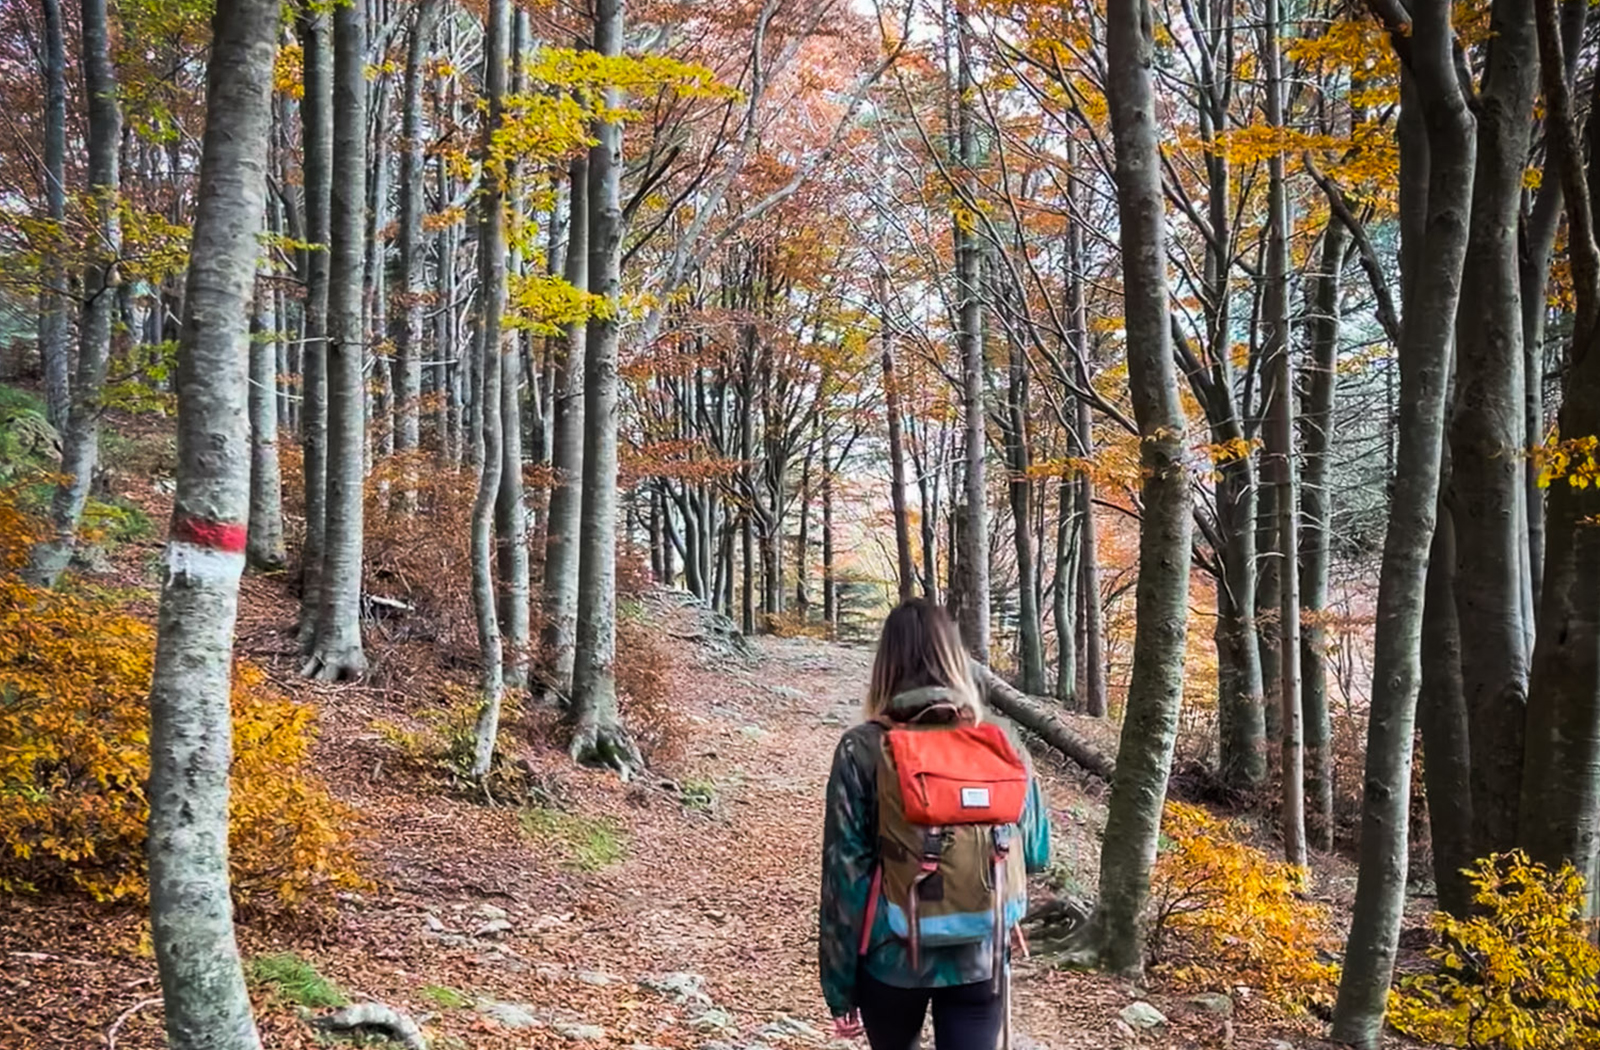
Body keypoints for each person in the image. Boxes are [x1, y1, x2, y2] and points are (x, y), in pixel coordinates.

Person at [819, 598, 1051, 1050]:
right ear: (955, 657)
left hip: (891, 958)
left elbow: (845, 878)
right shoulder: (1000, 739)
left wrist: (839, 988)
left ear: (885, 665)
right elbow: (1038, 852)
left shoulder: (862, 748)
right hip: (980, 953)